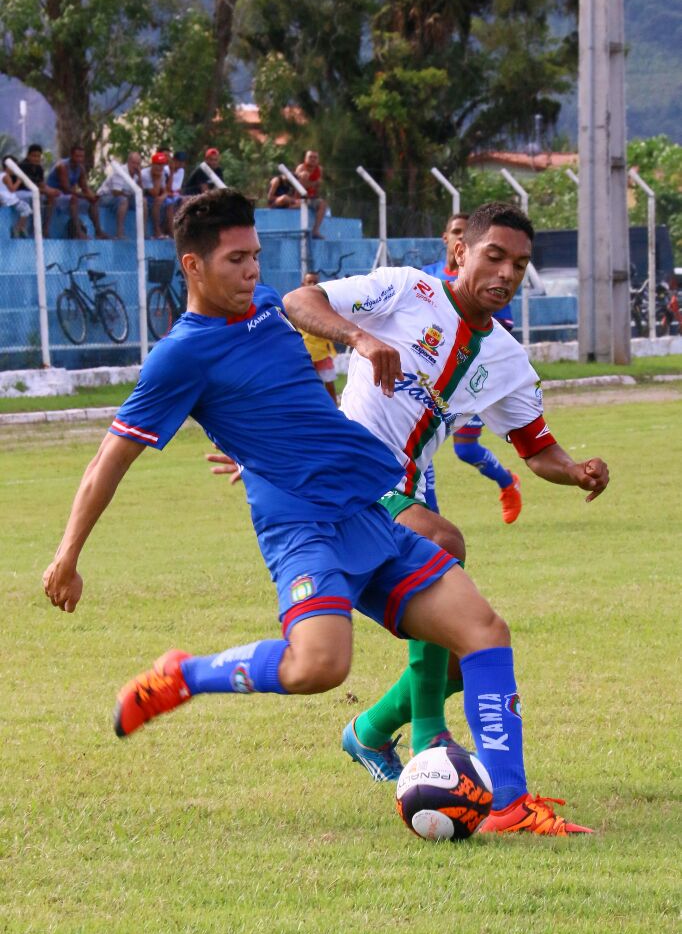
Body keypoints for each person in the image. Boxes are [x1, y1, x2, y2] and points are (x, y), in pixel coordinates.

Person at [42, 188, 593, 837]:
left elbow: (302, 392)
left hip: (364, 508)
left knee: (484, 630)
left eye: (256, 256)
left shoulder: (271, 311)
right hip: (300, 527)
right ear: (193, 267)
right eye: (236, 260)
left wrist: (279, 439)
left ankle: (509, 805)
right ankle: (184, 676)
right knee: (320, 668)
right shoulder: (180, 356)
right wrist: (67, 554)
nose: (252, 271)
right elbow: (110, 458)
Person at [282, 201, 609, 834]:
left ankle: (376, 731)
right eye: (495, 256)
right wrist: (361, 336)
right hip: (346, 476)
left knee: (473, 650)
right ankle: (432, 737)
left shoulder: (509, 360)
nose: (507, 272)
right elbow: (303, 301)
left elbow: (536, 447)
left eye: (520, 263)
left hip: (406, 487)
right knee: (445, 542)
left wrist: (576, 471)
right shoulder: (407, 289)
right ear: (460, 251)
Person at [424, 211, 522, 524]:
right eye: (455, 231)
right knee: (415, 449)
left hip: (467, 381)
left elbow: (498, 335)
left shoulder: (487, 284)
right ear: (447, 239)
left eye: (467, 233)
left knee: (466, 451)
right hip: (427, 380)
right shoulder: (426, 276)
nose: (460, 236)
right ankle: (430, 525)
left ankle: (508, 482)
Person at [46, 144, 107, 239]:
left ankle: (98, 231)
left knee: (93, 202)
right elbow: (66, 189)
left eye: (82, 156)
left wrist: (92, 197)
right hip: (54, 194)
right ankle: (78, 232)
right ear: (71, 155)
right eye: (77, 156)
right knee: (74, 199)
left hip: (66, 195)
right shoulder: (62, 166)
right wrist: (84, 196)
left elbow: (85, 188)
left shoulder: (80, 169)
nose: (79, 159)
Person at [295, 271, 338, 402]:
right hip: (305, 351)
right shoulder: (296, 302)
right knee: (307, 383)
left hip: (322, 351)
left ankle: (335, 409)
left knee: (329, 382)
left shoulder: (325, 302)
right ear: (303, 284)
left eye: (315, 282)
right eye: (310, 282)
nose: (313, 284)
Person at [16, 143, 61, 236]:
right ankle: (33, 229)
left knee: (51, 197)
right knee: (37, 196)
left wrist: (52, 190)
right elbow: (28, 185)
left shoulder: (39, 168)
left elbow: (42, 184)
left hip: (34, 191)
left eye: (38, 156)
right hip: (20, 192)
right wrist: (46, 191)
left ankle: (45, 228)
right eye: (34, 156)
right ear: (28, 156)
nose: (36, 158)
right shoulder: (23, 166)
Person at [97, 152, 143, 239]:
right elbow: (116, 192)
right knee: (123, 200)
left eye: (138, 163)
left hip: (124, 196)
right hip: (105, 197)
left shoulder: (137, 174)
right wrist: (128, 196)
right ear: (128, 162)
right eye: (134, 163)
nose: (136, 166)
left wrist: (140, 177)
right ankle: (120, 232)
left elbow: (140, 193)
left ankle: (142, 233)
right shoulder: (120, 171)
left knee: (143, 201)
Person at [295, 149, 327, 240]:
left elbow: (318, 186)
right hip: (298, 198)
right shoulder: (301, 168)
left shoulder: (319, 169)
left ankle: (315, 231)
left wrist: (314, 186)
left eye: (315, 157)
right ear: (305, 158)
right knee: (304, 175)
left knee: (322, 204)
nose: (313, 159)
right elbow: (299, 186)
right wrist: (314, 183)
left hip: (311, 198)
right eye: (310, 157)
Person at [140, 152, 172, 239]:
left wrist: (162, 197)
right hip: (144, 196)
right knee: (156, 202)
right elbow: (154, 193)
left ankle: (171, 232)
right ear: (153, 164)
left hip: (154, 197)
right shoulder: (145, 174)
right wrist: (157, 179)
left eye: (162, 165)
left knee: (170, 203)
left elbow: (165, 191)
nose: (160, 167)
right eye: (158, 164)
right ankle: (156, 230)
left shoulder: (162, 173)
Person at [0, 157, 33, 237]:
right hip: (9, 200)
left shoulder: (1, 175)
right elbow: (12, 189)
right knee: (26, 209)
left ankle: (20, 227)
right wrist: (19, 181)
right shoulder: (7, 176)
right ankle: (18, 227)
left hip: (3, 198)